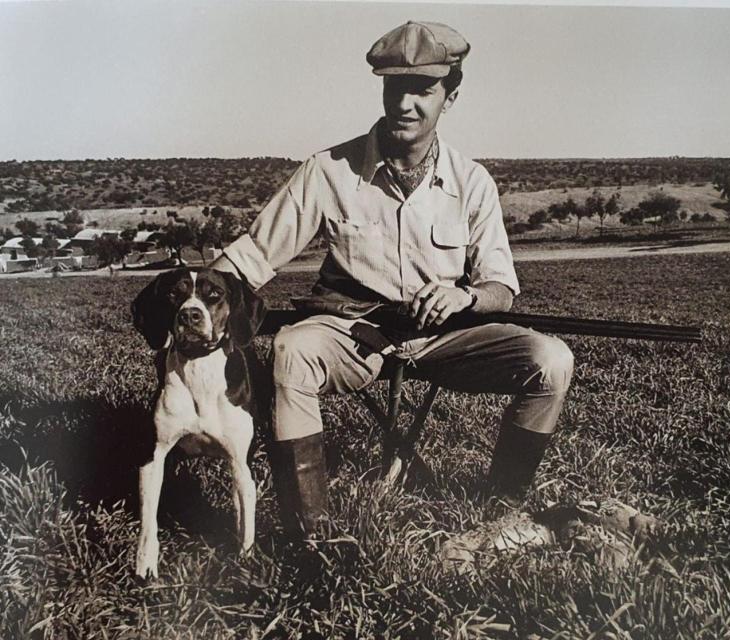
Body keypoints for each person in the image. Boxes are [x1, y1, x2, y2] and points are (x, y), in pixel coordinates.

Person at [212, 21, 574, 539]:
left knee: (552, 361)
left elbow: (501, 287)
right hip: (353, 335)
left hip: (445, 337)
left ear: (450, 97)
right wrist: (189, 308)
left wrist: (463, 296)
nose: (404, 104)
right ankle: (313, 534)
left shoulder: (472, 181)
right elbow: (251, 257)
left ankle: (501, 511)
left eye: (422, 90)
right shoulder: (327, 170)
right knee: (291, 349)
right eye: (394, 88)